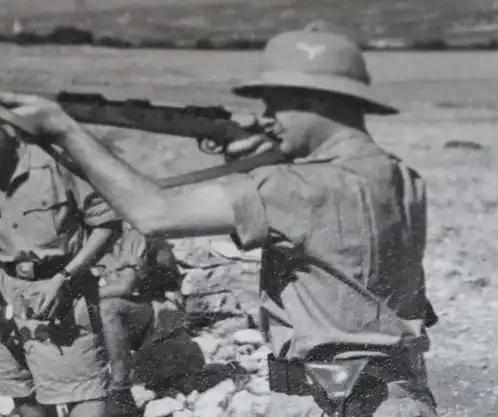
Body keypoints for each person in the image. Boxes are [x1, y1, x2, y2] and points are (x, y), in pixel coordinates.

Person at [0, 23, 439, 417]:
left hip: (337, 398)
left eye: (275, 105)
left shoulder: (298, 186)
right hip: (392, 390)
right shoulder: (397, 174)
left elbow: (154, 213)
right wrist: (266, 161)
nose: (264, 118)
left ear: (314, 99)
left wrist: (64, 130)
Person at [0, 123, 121, 417]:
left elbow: (107, 224)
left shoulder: (56, 161)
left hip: (60, 288)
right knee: (20, 388)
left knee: (83, 390)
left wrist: (64, 278)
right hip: (7, 289)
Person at [96, 223, 182, 417]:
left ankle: (121, 390)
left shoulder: (135, 232)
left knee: (107, 308)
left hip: (156, 307)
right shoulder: (90, 239)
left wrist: (76, 297)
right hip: (129, 309)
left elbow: (124, 286)